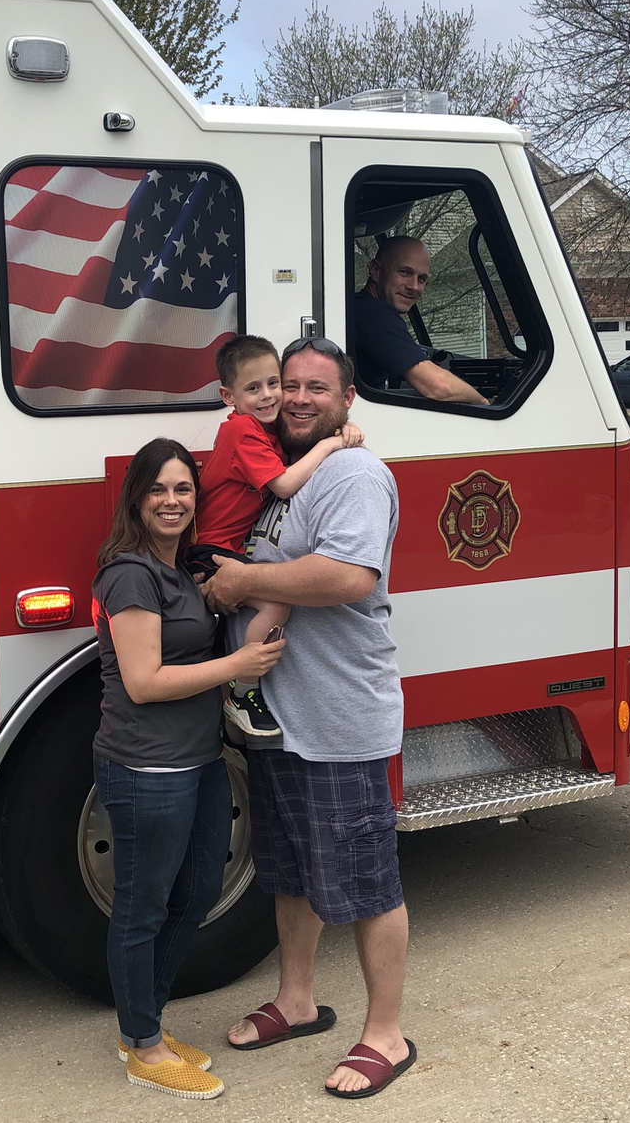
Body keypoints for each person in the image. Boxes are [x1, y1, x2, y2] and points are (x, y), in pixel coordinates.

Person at [202, 337, 416, 1101]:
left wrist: (242, 581)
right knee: (289, 873)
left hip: (338, 719)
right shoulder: (282, 474)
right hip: (280, 720)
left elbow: (348, 576)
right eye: (287, 385)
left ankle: (385, 1033)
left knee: (363, 878)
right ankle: (298, 1000)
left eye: (315, 388)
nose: (296, 398)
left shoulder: (355, 472)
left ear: (346, 399)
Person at [92, 438, 285, 1101]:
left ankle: (147, 1024)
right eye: (159, 490)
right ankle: (141, 1044)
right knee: (142, 907)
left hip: (200, 762)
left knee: (197, 894)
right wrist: (237, 668)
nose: (172, 502)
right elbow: (144, 682)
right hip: (145, 767)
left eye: (183, 490)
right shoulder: (129, 574)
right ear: (137, 499)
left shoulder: (182, 571)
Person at [190, 334, 363, 740]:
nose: (270, 396)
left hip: (218, 547)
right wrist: (331, 444)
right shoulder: (243, 432)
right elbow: (285, 484)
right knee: (276, 606)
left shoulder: (262, 430)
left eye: (273, 384)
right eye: (254, 388)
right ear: (227, 395)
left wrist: (342, 424)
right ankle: (241, 688)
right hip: (211, 550)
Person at [354, 235, 488, 405]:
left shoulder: (361, 308)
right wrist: (485, 405)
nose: (414, 286)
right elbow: (439, 387)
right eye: (405, 272)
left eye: (421, 279)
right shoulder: (374, 314)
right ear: (375, 271)